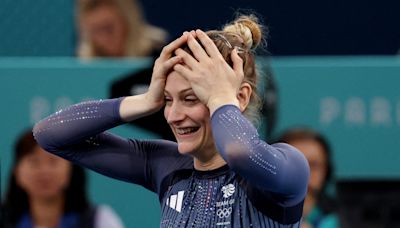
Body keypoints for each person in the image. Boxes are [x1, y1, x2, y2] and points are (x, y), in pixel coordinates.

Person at [33, 14, 310, 227]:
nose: (174, 116)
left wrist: (223, 100)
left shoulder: (288, 168)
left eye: (191, 99)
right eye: (168, 99)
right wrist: (145, 101)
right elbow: (49, 134)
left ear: (241, 96)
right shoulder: (164, 165)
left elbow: (240, 152)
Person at [2, 128, 124, 228]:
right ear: (16, 172)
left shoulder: (100, 221)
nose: (44, 171)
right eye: (34, 162)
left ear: (71, 171)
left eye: (53, 161)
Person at [277, 127, 338, 228]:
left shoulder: (345, 219)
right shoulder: (251, 216)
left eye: (313, 165)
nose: (304, 174)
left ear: (327, 171)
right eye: (294, 164)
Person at [76, 0, 167, 58]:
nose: (103, 39)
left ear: (128, 23)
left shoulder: (160, 55)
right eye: (95, 31)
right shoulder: (84, 63)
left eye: (108, 29)